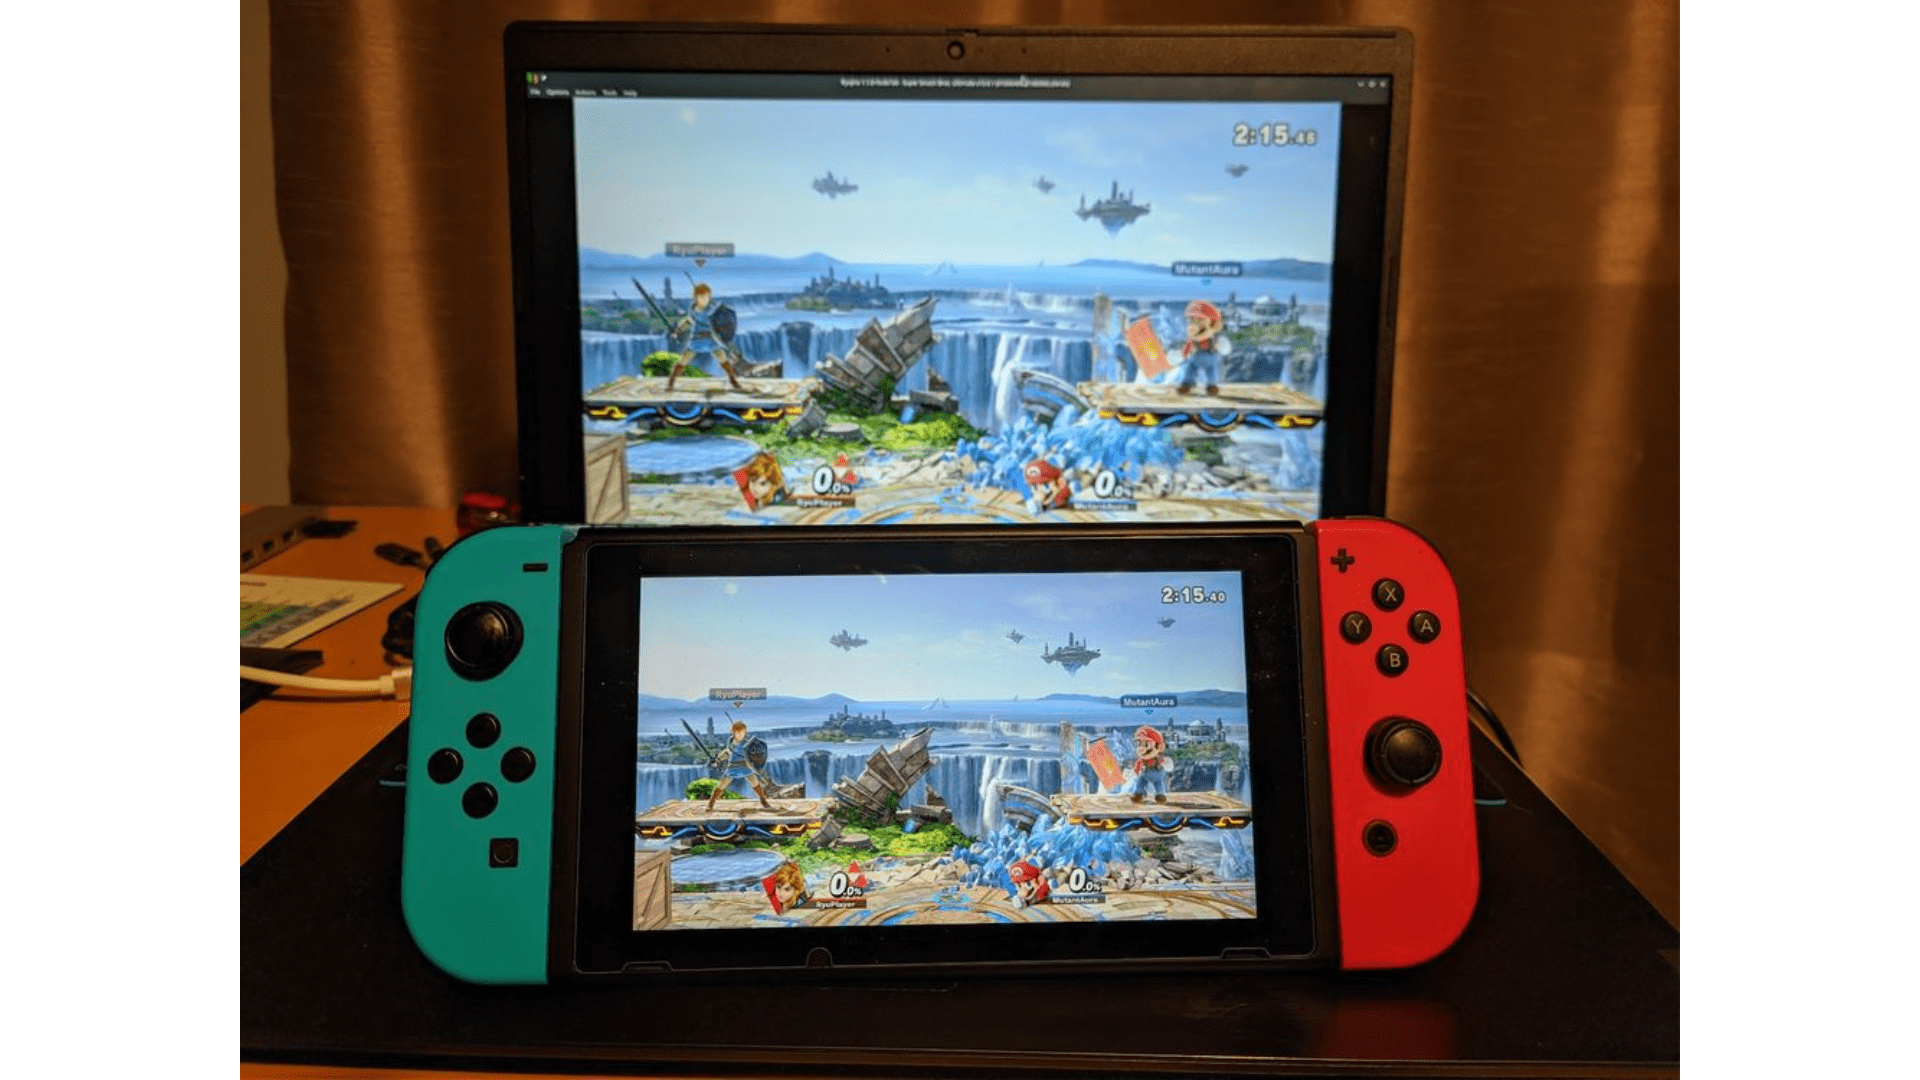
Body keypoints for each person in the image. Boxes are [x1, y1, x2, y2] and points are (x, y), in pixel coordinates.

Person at [667, 283, 745, 391]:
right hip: (696, 340)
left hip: (711, 339)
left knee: (723, 359)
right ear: (696, 297)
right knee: (683, 360)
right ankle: (671, 382)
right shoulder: (693, 310)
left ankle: (733, 381)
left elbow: (722, 316)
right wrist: (678, 331)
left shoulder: (713, 309)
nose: (704, 299)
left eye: (707, 297)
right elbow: (688, 321)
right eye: (701, 297)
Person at [706, 719, 773, 810]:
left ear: (745, 732)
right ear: (733, 733)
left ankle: (763, 800)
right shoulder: (731, 743)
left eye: (742, 732)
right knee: (721, 785)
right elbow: (727, 752)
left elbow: (755, 757)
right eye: (737, 732)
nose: (740, 734)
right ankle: (711, 803)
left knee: (755, 783)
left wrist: (761, 772)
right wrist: (718, 760)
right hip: (732, 767)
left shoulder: (748, 744)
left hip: (745, 766)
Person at [1176, 298, 1231, 395]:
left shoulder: (1206, 336)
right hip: (1206, 357)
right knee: (1209, 370)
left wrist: (1184, 354)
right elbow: (1189, 346)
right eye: (1192, 321)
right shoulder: (1206, 336)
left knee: (1192, 368)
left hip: (1203, 356)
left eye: (1199, 320)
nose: (1194, 324)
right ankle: (1210, 386)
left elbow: (1189, 347)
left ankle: (1188, 385)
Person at [1128, 724, 1170, 804]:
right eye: (1140, 744)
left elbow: (1164, 762)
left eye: (1146, 744)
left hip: (1155, 772)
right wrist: (1135, 771)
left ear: (1159, 746)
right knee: (1141, 782)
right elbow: (1138, 765)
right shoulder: (1143, 759)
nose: (1141, 748)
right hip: (1146, 773)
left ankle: (1159, 795)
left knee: (1156, 784)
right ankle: (1139, 795)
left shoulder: (1157, 758)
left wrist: (1166, 764)